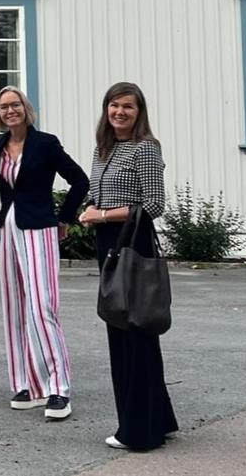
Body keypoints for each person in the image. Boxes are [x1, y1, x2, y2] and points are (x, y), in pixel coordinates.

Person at [78, 81, 179, 450]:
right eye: (114, 106)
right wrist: (89, 208)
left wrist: (103, 215)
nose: (120, 112)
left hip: (133, 244)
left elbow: (153, 204)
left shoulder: (145, 147)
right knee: (122, 331)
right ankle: (158, 420)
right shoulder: (103, 149)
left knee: (134, 333)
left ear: (139, 112)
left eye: (128, 107)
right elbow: (98, 193)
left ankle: (138, 432)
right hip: (108, 244)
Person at [0, 86, 88, 421]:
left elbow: (80, 181)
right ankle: (28, 384)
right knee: (14, 307)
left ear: (25, 108)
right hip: (7, 229)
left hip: (39, 228)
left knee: (42, 306)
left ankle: (59, 388)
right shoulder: (0, 143)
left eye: (15, 105)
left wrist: (65, 219)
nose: (10, 111)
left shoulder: (45, 143)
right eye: (4, 107)